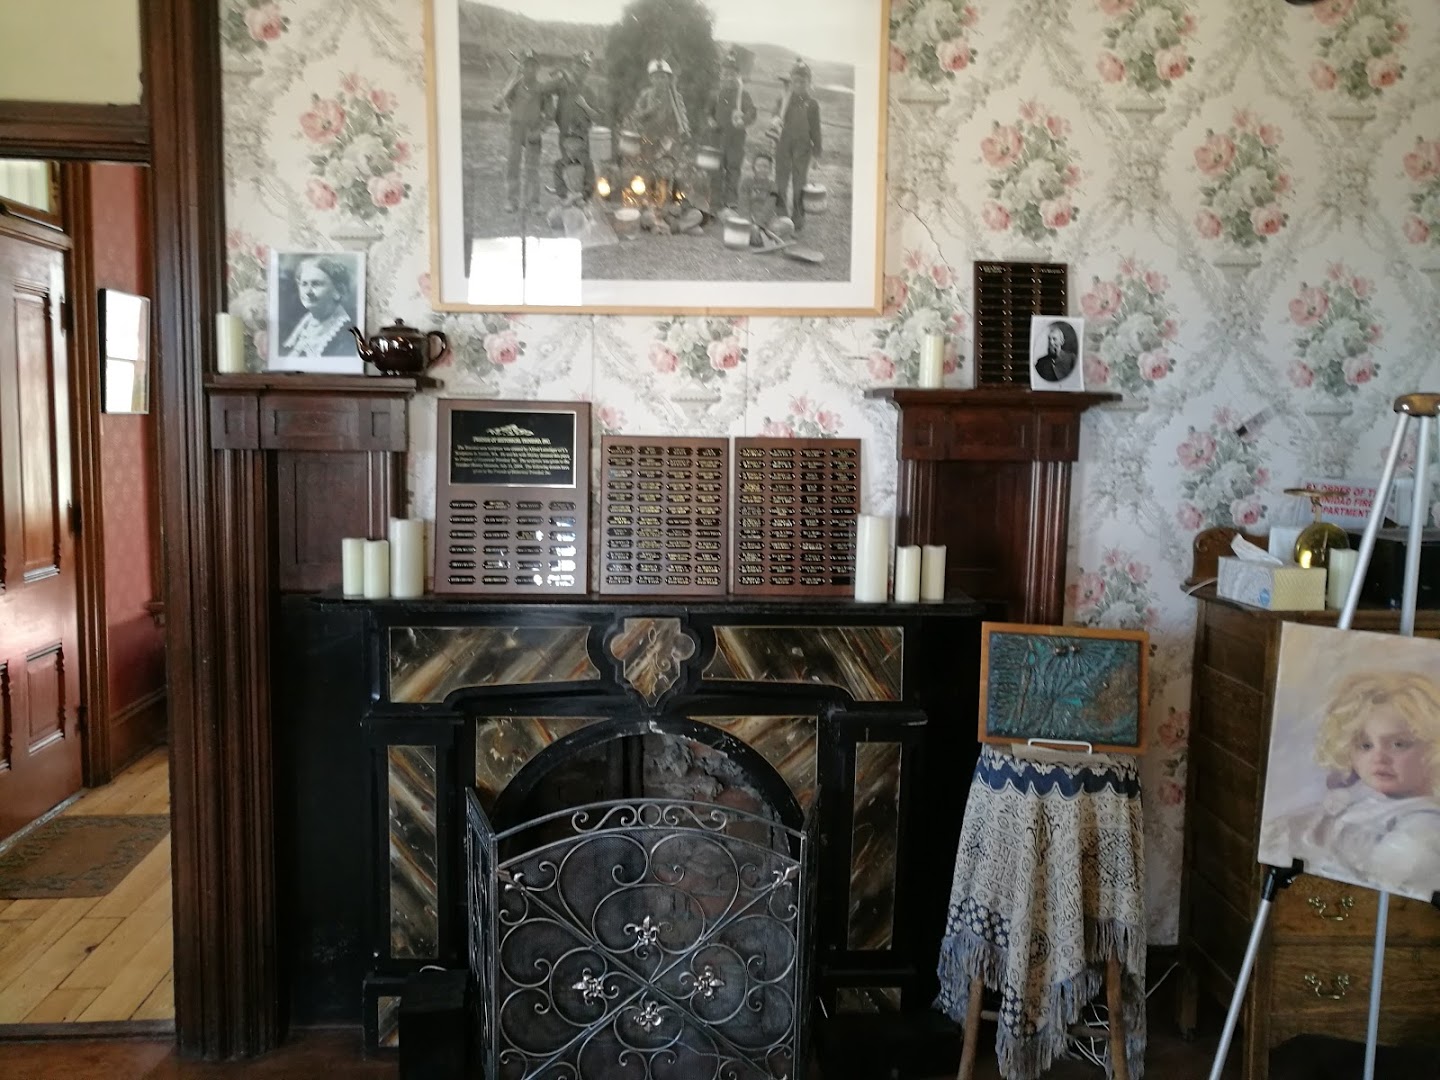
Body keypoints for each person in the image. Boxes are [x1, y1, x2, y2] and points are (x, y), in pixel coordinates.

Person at [1259, 671, 1440, 898]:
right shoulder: (1358, 798)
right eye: (1365, 745)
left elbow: (1394, 869)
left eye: (1399, 744)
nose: (1379, 757)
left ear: (1434, 748)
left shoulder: (1425, 822)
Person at [493, 50, 554, 213]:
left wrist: (540, 130)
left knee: (532, 167)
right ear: (522, 67)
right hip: (516, 130)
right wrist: (512, 82)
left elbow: (550, 115)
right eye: (527, 66)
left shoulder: (542, 89)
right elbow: (501, 102)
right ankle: (511, 200)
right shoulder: (514, 85)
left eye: (534, 66)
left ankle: (533, 202)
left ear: (538, 68)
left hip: (533, 131)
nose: (530, 69)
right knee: (513, 165)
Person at [769, 60, 822, 233]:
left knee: (799, 182)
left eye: (803, 81)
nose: (799, 85)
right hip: (783, 144)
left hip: (802, 147)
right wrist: (775, 119)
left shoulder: (812, 104)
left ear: (809, 82)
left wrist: (816, 154)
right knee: (781, 180)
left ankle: (798, 217)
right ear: (791, 81)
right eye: (796, 81)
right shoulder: (783, 99)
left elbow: (816, 130)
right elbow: (774, 116)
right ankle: (781, 214)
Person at [705, 50, 756, 212]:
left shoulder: (743, 95)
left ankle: (731, 202)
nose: (729, 77)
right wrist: (711, 121)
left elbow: (751, 112)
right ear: (721, 75)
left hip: (736, 139)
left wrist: (744, 120)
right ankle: (715, 202)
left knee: (733, 170)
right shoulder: (715, 94)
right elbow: (708, 112)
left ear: (737, 76)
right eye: (725, 74)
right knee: (715, 169)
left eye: (732, 74)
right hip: (717, 137)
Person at [279, 255, 354, 358]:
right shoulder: (300, 325)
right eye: (304, 284)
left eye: (316, 284)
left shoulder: (346, 335)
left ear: (338, 291)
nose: (308, 292)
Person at [551, 51, 601, 200]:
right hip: (565, 134)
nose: (581, 71)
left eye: (584, 68)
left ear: (587, 71)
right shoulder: (563, 86)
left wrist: (585, 106)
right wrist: (559, 75)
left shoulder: (589, 92)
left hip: (582, 136)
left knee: (584, 166)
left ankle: (584, 197)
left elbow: (597, 117)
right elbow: (547, 89)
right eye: (578, 66)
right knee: (565, 164)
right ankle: (565, 196)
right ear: (573, 67)